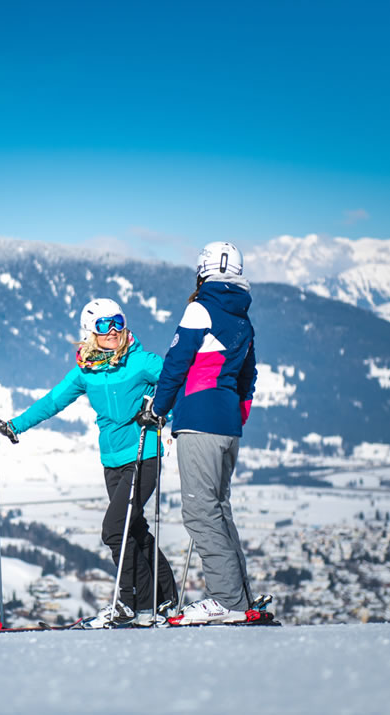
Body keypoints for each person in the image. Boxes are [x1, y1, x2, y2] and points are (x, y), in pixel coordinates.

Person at [0, 299, 178, 627]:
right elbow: (52, 402)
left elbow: (177, 383)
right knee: (133, 529)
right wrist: (12, 426)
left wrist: (162, 412)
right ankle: (166, 598)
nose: (113, 330)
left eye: (118, 321)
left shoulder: (142, 361)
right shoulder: (86, 372)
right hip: (112, 462)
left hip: (143, 455)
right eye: (104, 324)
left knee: (114, 530)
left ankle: (136, 605)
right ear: (90, 332)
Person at [141, 241, 259, 625]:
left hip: (198, 420)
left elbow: (176, 363)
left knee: (200, 513)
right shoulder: (242, 317)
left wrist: (158, 409)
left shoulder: (200, 309)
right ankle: (242, 598)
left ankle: (227, 600)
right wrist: (237, 414)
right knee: (219, 510)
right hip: (227, 427)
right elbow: (248, 376)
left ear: (202, 270)